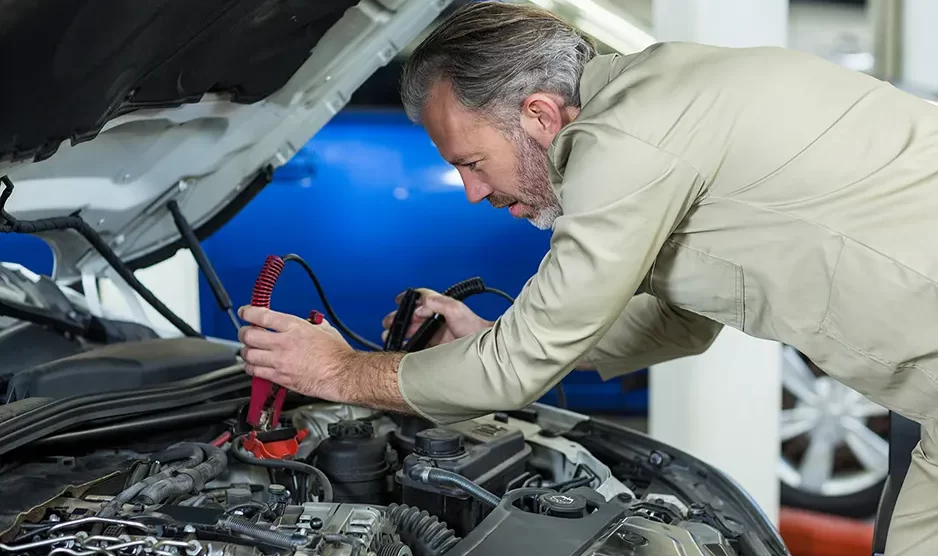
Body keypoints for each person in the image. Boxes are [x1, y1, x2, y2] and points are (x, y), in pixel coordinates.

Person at [237, 2, 938, 553]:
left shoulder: (628, 136)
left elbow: (517, 370)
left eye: (472, 162)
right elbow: (679, 319)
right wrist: (486, 337)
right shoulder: (660, 99)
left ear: (539, 116)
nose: (472, 192)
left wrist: (339, 374)